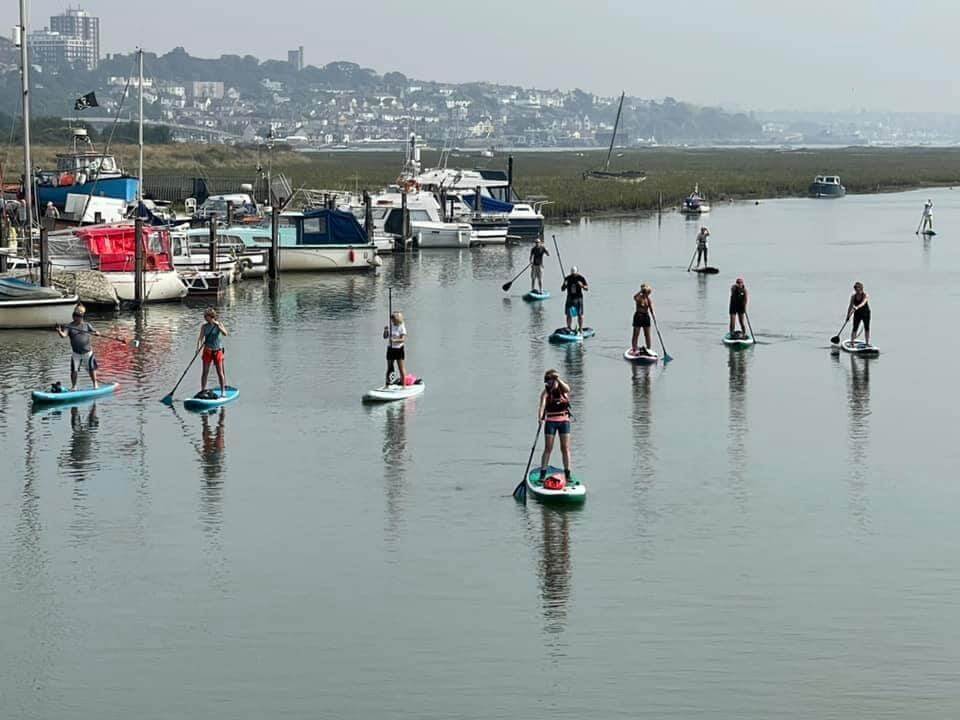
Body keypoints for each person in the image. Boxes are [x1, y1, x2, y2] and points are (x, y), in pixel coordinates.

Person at [537, 369, 572, 484]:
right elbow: (542, 405)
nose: (549, 384)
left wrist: (557, 379)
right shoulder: (546, 392)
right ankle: (543, 473)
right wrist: (540, 417)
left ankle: (568, 473)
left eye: (550, 382)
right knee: (548, 448)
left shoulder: (563, 389)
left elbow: (568, 389)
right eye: (547, 382)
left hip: (564, 421)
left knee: (565, 448)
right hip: (551, 421)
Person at [56, 303, 100, 391]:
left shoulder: (87, 325)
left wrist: (97, 333)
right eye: (75, 315)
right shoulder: (69, 326)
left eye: (78, 316)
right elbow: (64, 335)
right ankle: (74, 386)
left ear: (81, 317)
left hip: (87, 352)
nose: (76, 317)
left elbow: (95, 331)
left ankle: (95, 384)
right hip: (76, 353)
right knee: (74, 370)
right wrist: (59, 331)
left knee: (91, 369)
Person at [197, 308, 228, 397]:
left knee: (219, 372)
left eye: (206, 316)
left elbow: (225, 333)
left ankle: (223, 391)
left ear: (211, 317)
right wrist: (197, 348)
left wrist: (219, 327)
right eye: (205, 316)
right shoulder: (204, 326)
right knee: (205, 372)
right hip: (207, 350)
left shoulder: (219, 324)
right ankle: (203, 390)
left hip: (217, 351)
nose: (205, 318)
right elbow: (200, 338)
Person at [561, 265, 588, 333]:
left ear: (577, 272)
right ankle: (569, 327)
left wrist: (582, 286)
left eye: (574, 274)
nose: (573, 275)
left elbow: (586, 288)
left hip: (578, 298)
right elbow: (562, 289)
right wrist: (565, 285)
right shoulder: (567, 278)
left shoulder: (581, 278)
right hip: (570, 298)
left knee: (580, 314)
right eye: (572, 274)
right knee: (568, 314)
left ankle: (580, 329)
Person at [383, 310, 407, 386]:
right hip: (390, 349)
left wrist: (394, 340)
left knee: (401, 368)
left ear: (397, 319)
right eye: (391, 319)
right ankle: (387, 384)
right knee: (389, 367)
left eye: (393, 319)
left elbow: (403, 339)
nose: (392, 321)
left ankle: (404, 385)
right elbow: (385, 337)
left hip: (399, 349)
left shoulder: (401, 326)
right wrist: (386, 331)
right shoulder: (390, 325)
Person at [631, 283, 655, 355]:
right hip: (638, 316)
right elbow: (634, 297)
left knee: (647, 334)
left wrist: (653, 315)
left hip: (646, 317)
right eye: (645, 292)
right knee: (636, 334)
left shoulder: (648, 299)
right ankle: (634, 349)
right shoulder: (639, 297)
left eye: (647, 292)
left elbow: (651, 308)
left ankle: (648, 349)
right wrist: (641, 291)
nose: (646, 293)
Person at [847, 281, 871, 346]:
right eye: (856, 289)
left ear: (861, 289)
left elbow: (863, 303)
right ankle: (852, 343)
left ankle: (867, 343)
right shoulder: (853, 297)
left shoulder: (865, 295)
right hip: (857, 313)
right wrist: (848, 316)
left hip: (866, 313)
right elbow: (850, 306)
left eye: (859, 289)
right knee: (855, 328)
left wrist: (857, 307)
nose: (857, 291)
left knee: (867, 328)